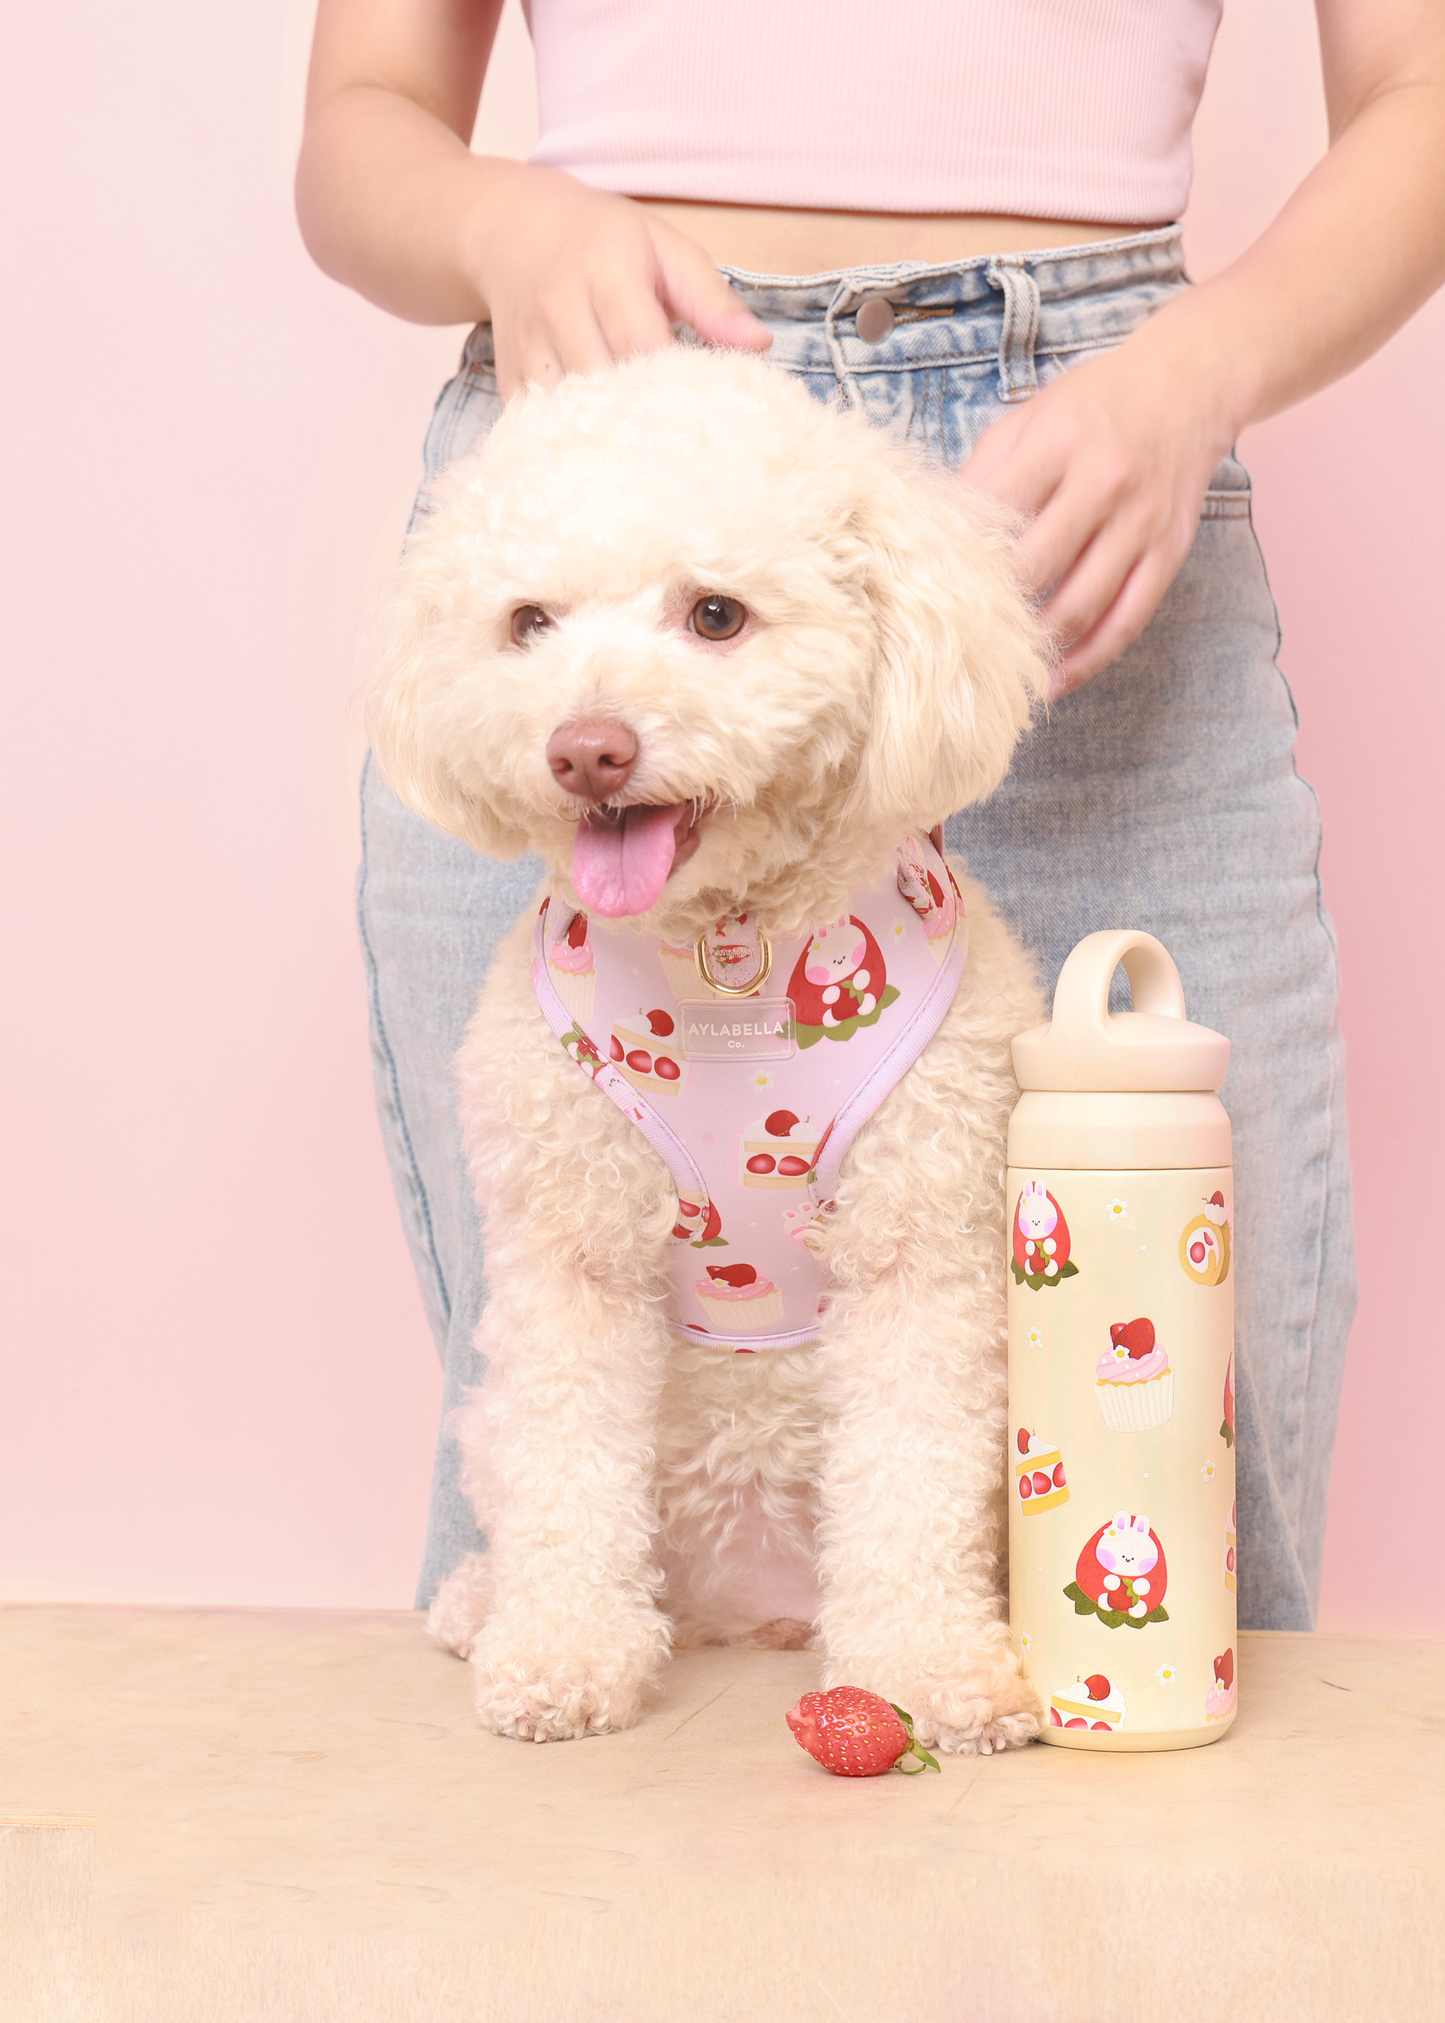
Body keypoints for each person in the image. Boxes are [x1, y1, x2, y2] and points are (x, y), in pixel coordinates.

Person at [295, 0, 1445, 1632]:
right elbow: (362, 117)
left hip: (1088, 482)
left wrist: (1198, 369)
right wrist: (500, 219)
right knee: (560, 1509)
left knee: (1173, 1512)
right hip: (611, 483)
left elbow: (1423, 89)